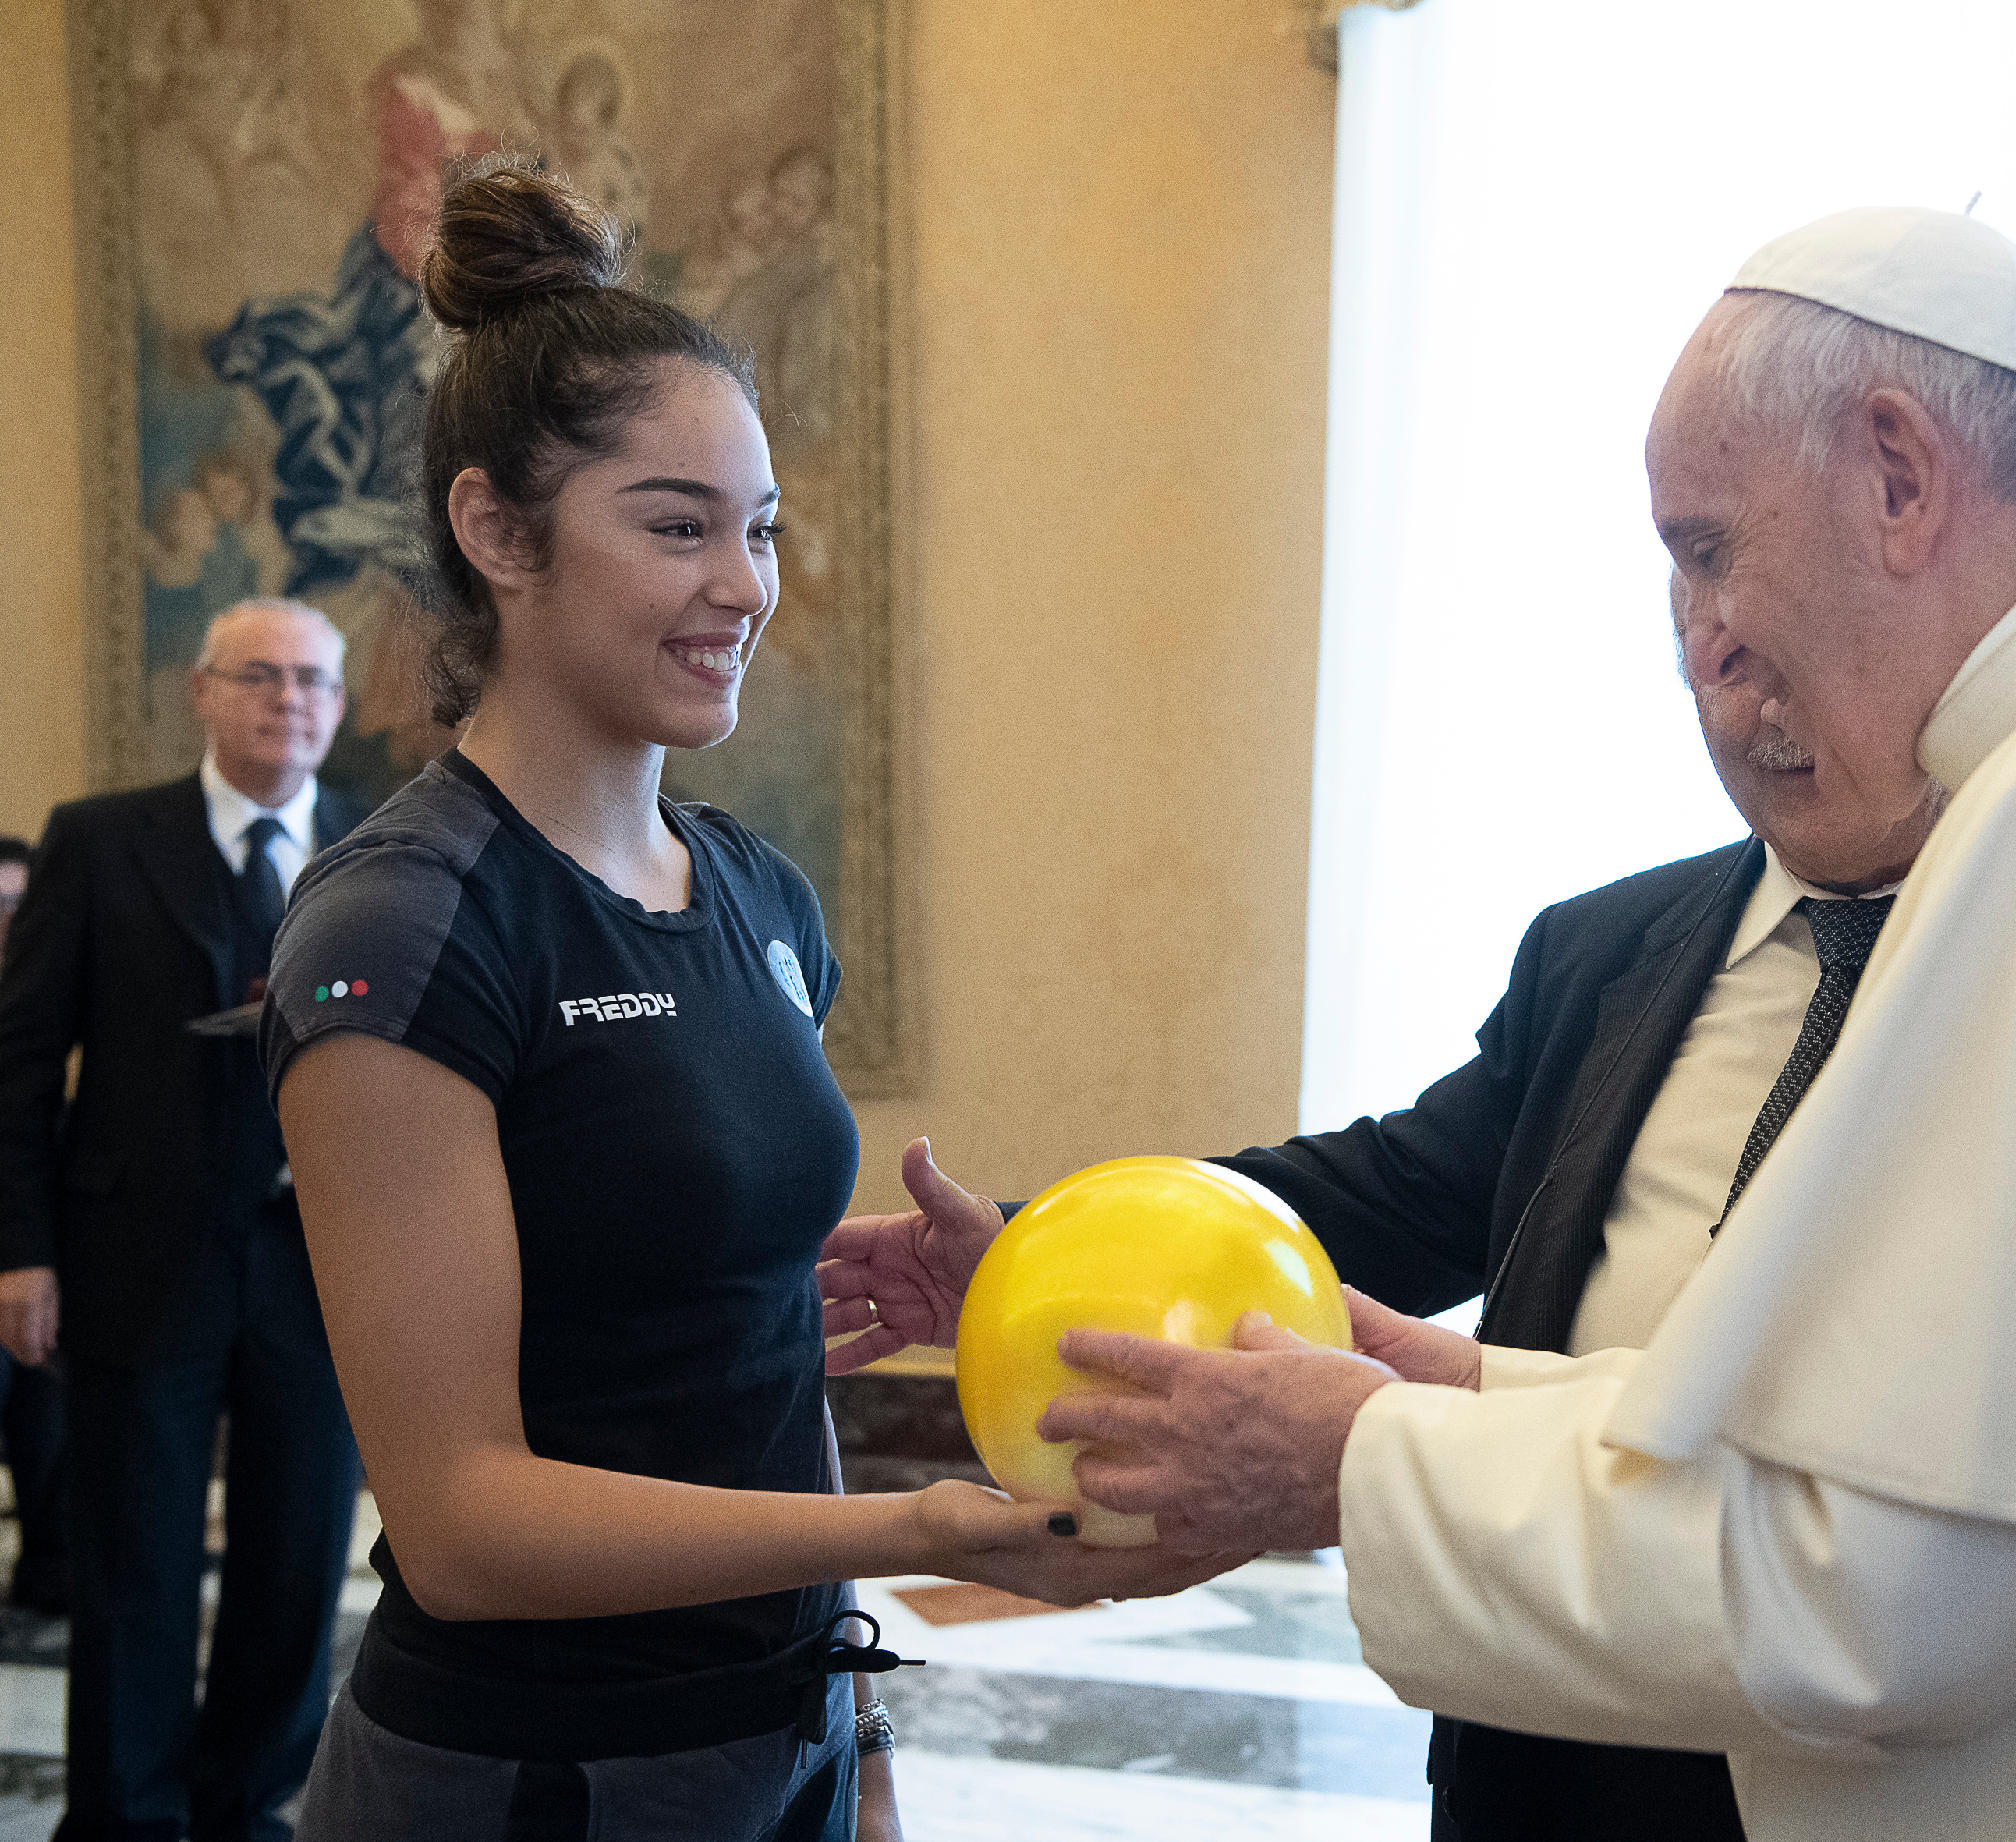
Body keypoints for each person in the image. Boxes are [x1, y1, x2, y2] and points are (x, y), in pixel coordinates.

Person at [832, 208, 2016, 1841]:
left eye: (1706, 542)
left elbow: (1880, 1595)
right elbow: (1963, 1448)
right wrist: (1461, 1395)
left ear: (1899, 473)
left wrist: (1353, 1464)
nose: (1701, 628)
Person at [264, 158, 1225, 1842]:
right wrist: (917, 1537)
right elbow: (466, 1525)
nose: (746, 583)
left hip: (776, 1743)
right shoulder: (404, 928)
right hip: (526, 1779)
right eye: (677, 526)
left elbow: (746, 1362)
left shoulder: (756, 892)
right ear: (496, 531)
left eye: (760, 526)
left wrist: (856, 1724)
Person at [0, 598, 366, 1841]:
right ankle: (123, 1819)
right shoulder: (100, 841)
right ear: (202, 692)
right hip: (136, 1259)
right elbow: (20, 1060)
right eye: (260, 676)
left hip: (323, 1271)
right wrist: (20, 1251)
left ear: (339, 703)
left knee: (297, 1560)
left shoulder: (381, 850)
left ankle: (249, 1810)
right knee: (134, 1565)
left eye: (313, 681)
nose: (289, 701)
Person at [0, 833, 66, 1617]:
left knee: (48, 1386)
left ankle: (54, 1565)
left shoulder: (54, 1005)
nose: (10, 922)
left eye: (20, 905)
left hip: (34, 1250)